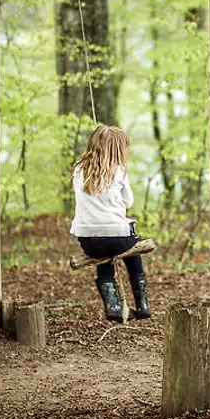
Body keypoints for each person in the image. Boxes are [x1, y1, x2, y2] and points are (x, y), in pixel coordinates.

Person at [69, 125, 150, 322]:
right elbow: (129, 201)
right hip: (118, 238)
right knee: (133, 252)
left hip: (88, 241)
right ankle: (142, 304)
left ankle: (113, 306)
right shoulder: (119, 171)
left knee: (102, 253)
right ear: (117, 149)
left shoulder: (78, 170)